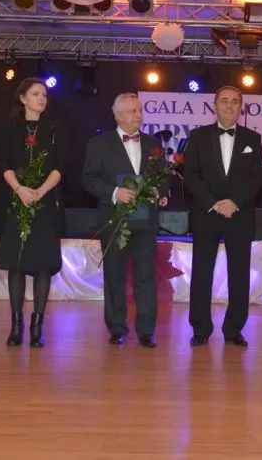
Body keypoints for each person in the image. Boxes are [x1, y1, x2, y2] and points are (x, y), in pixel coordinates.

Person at [82, 93, 168, 348]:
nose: (138, 115)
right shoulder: (99, 144)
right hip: (114, 220)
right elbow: (88, 178)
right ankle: (117, 328)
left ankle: (146, 332)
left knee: (146, 277)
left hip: (145, 221)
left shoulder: (153, 143)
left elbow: (164, 176)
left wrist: (160, 192)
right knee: (114, 275)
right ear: (118, 115)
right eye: (132, 111)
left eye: (140, 110)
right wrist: (114, 192)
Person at [184, 85, 262, 347]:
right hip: (206, 213)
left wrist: (235, 202)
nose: (229, 105)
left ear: (241, 107)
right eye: (224, 101)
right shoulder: (197, 136)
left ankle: (234, 329)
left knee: (239, 273)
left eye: (234, 101)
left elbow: (257, 178)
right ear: (215, 105)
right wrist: (212, 203)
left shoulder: (253, 138)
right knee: (201, 273)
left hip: (239, 215)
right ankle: (200, 328)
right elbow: (191, 175)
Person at [0, 78, 65, 348]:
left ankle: (38, 326)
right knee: (16, 262)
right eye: (36, 94)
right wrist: (20, 189)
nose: (41, 99)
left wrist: (41, 191)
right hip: (16, 201)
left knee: (43, 263)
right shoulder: (9, 128)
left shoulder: (54, 128)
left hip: (45, 203)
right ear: (23, 98)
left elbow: (60, 166)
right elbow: (3, 163)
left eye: (44, 95)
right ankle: (16, 325)